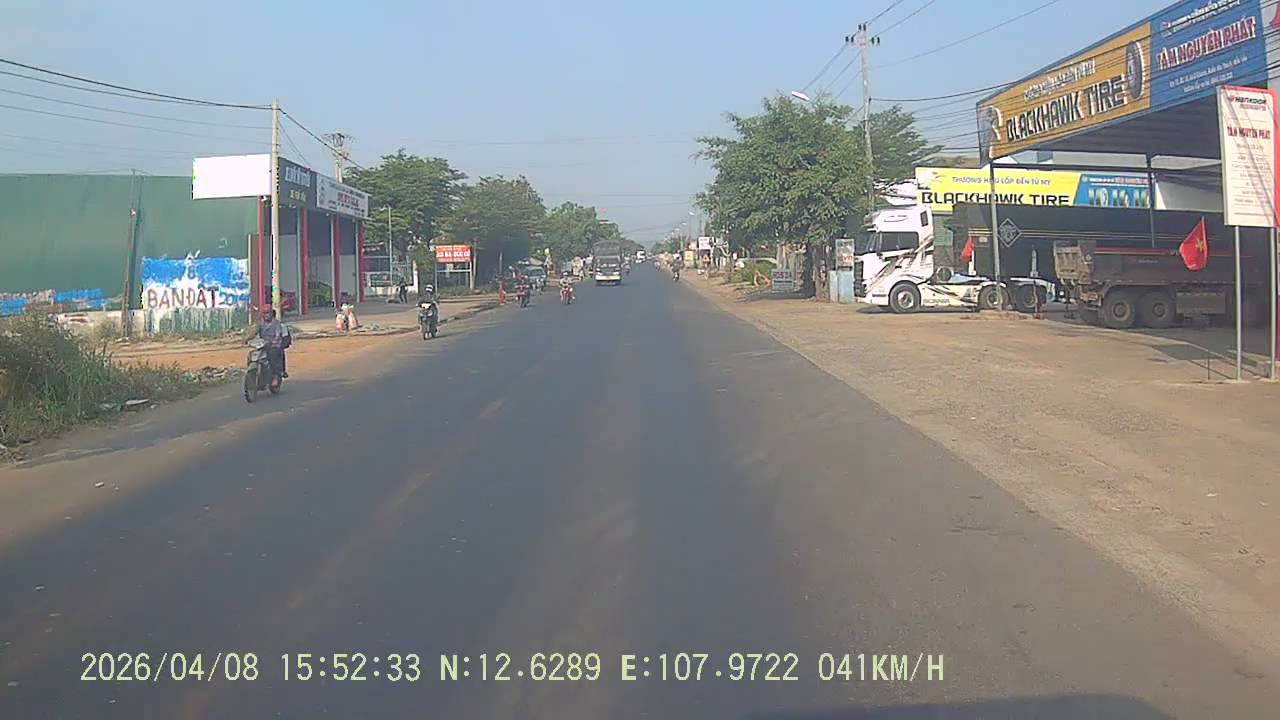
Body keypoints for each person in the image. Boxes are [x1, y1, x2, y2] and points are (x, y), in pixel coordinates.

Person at [250, 307, 291, 378]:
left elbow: (278, 334)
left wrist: (275, 340)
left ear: (272, 314)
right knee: (251, 355)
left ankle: (275, 375)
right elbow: (254, 333)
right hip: (263, 344)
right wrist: (247, 339)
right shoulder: (260, 323)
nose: (266, 315)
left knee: (273, 356)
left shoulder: (276, 323)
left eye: (267, 313)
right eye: (264, 313)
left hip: (274, 345)